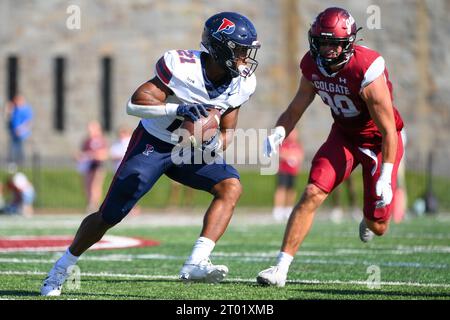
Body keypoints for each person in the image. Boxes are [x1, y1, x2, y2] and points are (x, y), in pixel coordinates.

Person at [41, 11, 261, 296]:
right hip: (154, 142)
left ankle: (196, 261)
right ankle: (61, 267)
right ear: (220, 48)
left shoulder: (242, 83)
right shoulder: (182, 66)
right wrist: (177, 109)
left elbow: (227, 131)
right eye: (241, 51)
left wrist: (210, 145)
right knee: (109, 215)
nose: (246, 59)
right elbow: (133, 105)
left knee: (230, 187)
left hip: (188, 151)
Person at [257, 7, 404, 287]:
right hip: (344, 136)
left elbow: (388, 130)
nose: (326, 50)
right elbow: (296, 107)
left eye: (333, 44)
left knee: (379, 226)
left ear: (348, 43)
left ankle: (369, 218)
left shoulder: (366, 69)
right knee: (312, 191)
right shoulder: (312, 65)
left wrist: (385, 176)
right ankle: (280, 269)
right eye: (321, 42)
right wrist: (279, 132)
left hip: (378, 142)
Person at [76, 121, 109, 213]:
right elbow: (82, 153)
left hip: (97, 165)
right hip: (88, 166)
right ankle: (90, 203)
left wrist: (91, 155)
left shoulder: (100, 140)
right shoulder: (87, 141)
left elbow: (104, 154)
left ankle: (95, 205)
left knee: (95, 186)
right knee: (87, 185)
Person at [272, 128, 304, 221]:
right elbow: (281, 154)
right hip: (283, 170)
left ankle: (288, 209)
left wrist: (292, 155)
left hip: (293, 171)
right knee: (281, 189)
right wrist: (290, 154)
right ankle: (278, 210)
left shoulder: (298, 145)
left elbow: (300, 156)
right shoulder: (284, 143)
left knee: (291, 190)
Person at [6, 95, 33, 166]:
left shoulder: (26, 109)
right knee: (13, 148)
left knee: (19, 148)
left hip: (22, 134)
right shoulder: (15, 109)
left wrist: (20, 129)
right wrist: (9, 109)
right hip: (14, 133)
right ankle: (13, 162)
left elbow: (28, 122)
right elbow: (9, 118)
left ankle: (20, 162)